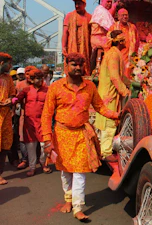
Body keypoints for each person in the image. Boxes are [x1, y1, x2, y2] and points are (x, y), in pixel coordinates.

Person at [41, 52, 119, 220]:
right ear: (66, 65)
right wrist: (47, 139)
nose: (77, 68)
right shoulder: (56, 87)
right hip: (61, 135)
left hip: (82, 134)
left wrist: (116, 115)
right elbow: (47, 115)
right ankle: (68, 199)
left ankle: (78, 207)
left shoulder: (90, 86)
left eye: (79, 65)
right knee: (66, 171)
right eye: (73, 64)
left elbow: (100, 107)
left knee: (80, 171)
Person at [94, 30, 129, 162]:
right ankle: (106, 152)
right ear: (120, 42)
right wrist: (125, 92)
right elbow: (115, 78)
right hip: (109, 94)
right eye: (124, 40)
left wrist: (131, 84)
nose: (126, 42)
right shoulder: (114, 54)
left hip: (109, 93)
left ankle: (106, 149)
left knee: (111, 123)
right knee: (109, 123)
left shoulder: (115, 53)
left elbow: (120, 76)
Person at [14, 68, 51, 176]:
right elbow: (17, 99)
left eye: (41, 78)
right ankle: (32, 167)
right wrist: (13, 101)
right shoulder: (26, 90)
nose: (39, 80)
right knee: (31, 146)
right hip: (29, 122)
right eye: (37, 78)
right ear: (31, 79)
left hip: (43, 121)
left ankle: (44, 163)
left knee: (45, 144)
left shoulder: (48, 90)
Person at [62, 0, 92, 76]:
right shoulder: (69, 16)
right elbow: (65, 32)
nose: (77, 6)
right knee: (72, 64)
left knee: (84, 65)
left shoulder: (89, 17)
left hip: (85, 47)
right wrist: (63, 46)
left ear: (84, 4)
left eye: (79, 3)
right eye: (75, 4)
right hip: (72, 47)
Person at [16, 65, 37, 170]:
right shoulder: (20, 85)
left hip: (38, 116)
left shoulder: (40, 85)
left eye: (31, 72)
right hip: (24, 115)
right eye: (27, 72)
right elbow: (15, 99)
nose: (29, 74)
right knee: (23, 137)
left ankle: (38, 161)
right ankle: (25, 160)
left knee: (38, 138)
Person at [108, 8, 140, 78]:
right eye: (123, 15)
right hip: (117, 57)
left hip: (130, 58)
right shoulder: (113, 27)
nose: (125, 17)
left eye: (126, 15)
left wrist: (135, 55)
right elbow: (108, 42)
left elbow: (137, 42)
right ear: (118, 17)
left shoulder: (132, 27)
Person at [0, 52, 16, 185]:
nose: (10, 66)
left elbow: (13, 94)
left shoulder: (8, 78)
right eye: (9, 64)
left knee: (4, 146)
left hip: (5, 117)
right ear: (1, 63)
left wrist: (10, 100)